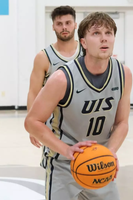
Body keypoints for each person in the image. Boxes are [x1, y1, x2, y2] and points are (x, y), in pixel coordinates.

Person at [25, 12, 132, 200]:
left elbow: (122, 122)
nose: (104, 38)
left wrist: (110, 151)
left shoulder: (123, 74)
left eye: (109, 33)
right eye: (96, 34)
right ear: (83, 42)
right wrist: (66, 150)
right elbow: (32, 122)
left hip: (99, 163)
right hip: (64, 164)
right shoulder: (62, 78)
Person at [27, 6, 83, 150]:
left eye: (68, 23)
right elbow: (34, 92)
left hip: (84, 122)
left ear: (75, 24)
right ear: (53, 27)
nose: (64, 27)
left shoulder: (87, 52)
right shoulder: (44, 57)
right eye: (59, 24)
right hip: (55, 128)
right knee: (56, 167)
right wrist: (32, 126)